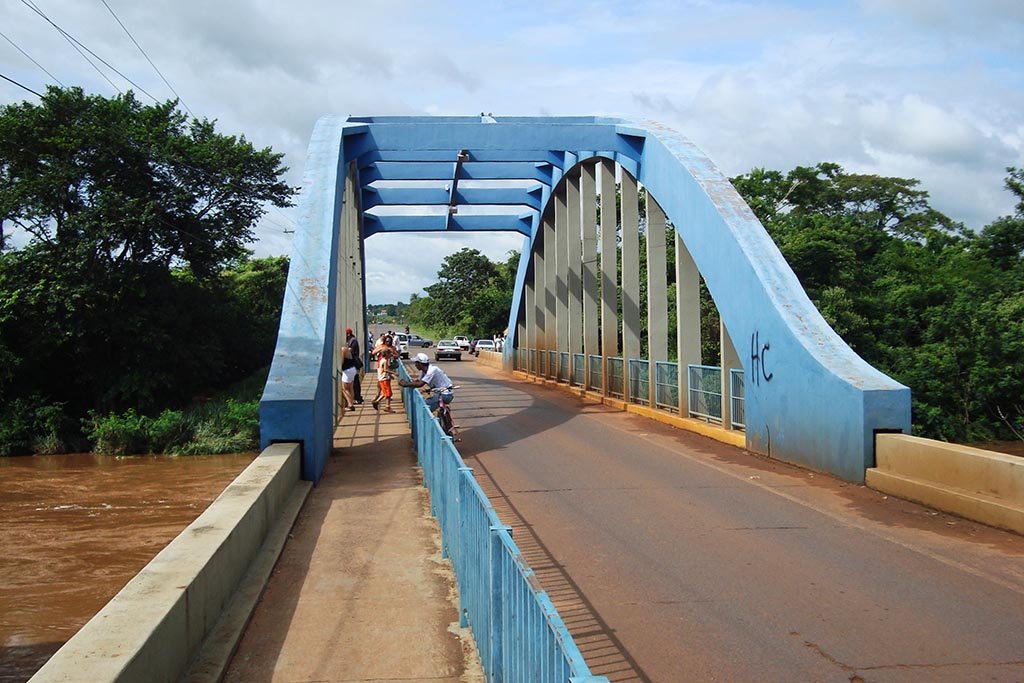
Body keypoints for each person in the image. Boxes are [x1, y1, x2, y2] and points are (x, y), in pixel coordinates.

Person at [371, 335, 397, 412]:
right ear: (384, 341)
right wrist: (381, 350)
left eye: (389, 341)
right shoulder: (381, 346)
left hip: (387, 369)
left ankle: (383, 403)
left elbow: (397, 355)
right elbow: (373, 352)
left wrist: (392, 353)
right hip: (382, 369)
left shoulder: (392, 348)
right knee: (382, 386)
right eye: (387, 341)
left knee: (386, 390)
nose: (388, 343)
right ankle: (378, 400)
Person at [346, 327, 364, 404]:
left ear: (348, 334)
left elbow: (350, 351)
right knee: (354, 381)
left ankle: (357, 397)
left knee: (355, 381)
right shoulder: (352, 340)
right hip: (353, 364)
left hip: (354, 364)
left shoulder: (353, 341)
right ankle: (357, 397)